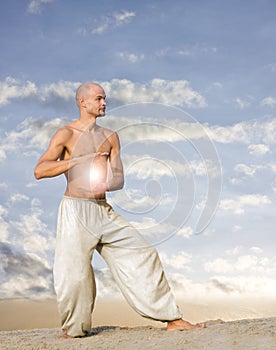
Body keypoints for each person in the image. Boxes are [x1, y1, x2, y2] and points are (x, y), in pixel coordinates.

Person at [34, 82, 205, 338]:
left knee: (143, 253)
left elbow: (119, 178)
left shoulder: (110, 136)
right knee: (75, 274)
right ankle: (73, 331)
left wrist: (105, 182)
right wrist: (79, 160)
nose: (104, 103)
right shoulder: (66, 134)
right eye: (99, 99)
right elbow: (40, 170)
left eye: (105, 99)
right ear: (83, 102)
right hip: (75, 211)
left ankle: (172, 318)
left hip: (103, 210)